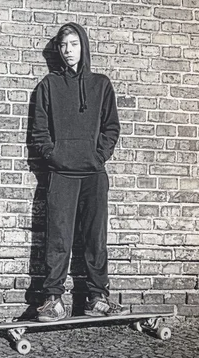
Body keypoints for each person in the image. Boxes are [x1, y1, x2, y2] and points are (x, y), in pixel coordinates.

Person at [32, 22, 127, 322]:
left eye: (73, 44)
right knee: (58, 238)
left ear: (83, 46)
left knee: (95, 238)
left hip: (93, 175)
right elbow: (38, 132)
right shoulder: (48, 85)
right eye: (63, 45)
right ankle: (53, 300)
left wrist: (98, 156)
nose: (68, 50)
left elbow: (111, 127)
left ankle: (97, 298)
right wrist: (55, 156)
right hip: (61, 175)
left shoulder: (101, 85)